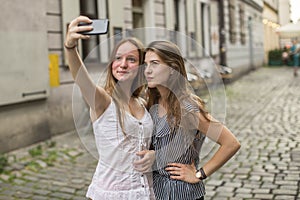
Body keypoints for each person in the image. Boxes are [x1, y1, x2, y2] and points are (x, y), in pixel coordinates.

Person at [64, 16, 155, 200]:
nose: (122, 64)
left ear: (140, 67)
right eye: (118, 58)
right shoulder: (102, 101)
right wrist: (70, 48)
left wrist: (154, 155)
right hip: (112, 194)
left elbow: (147, 144)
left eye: (131, 59)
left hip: (145, 192)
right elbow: (81, 78)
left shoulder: (143, 103)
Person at [143, 40, 241, 200]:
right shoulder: (152, 103)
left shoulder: (187, 107)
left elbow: (231, 143)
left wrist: (199, 174)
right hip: (155, 192)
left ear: (173, 69)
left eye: (154, 63)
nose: (147, 70)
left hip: (182, 194)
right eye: (145, 64)